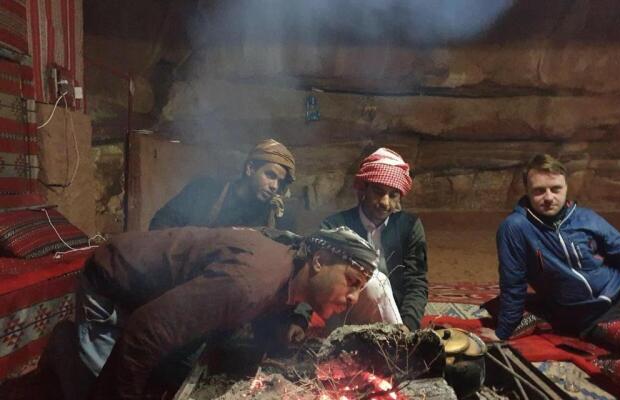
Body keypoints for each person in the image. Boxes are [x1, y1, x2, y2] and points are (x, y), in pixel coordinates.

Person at [44, 226, 377, 400]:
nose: (353, 298)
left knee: (164, 369)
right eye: (352, 282)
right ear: (318, 261)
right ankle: (65, 350)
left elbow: (269, 305)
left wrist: (291, 320)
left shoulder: (289, 270)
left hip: (158, 297)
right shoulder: (248, 284)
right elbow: (145, 331)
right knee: (107, 387)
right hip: (114, 282)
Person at [494, 153, 620, 354]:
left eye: (556, 189)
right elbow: (513, 283)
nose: (549, 197)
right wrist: (503, 332)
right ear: (527, 191)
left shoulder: (585, 217)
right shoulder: (516, 228)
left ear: (566, 188)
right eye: (539, 191)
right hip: (594, 316)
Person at [321, 147, 428, 332]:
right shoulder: (335, 226)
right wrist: (299, 320)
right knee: (372, 281)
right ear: (363, 190)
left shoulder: (410, 227)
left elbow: (416, 282)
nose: (385, 202)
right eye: (378, 192)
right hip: (346, 317)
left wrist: (409, 324)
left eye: (393, 195)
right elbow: (314, 276)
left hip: (396, 317)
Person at [149, 138, 296, 230]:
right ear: (250, 168)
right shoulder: (204, 191)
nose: (275, 186)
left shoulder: (277, 217)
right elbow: (161, 225)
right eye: (270, 175)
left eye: (280, 182)